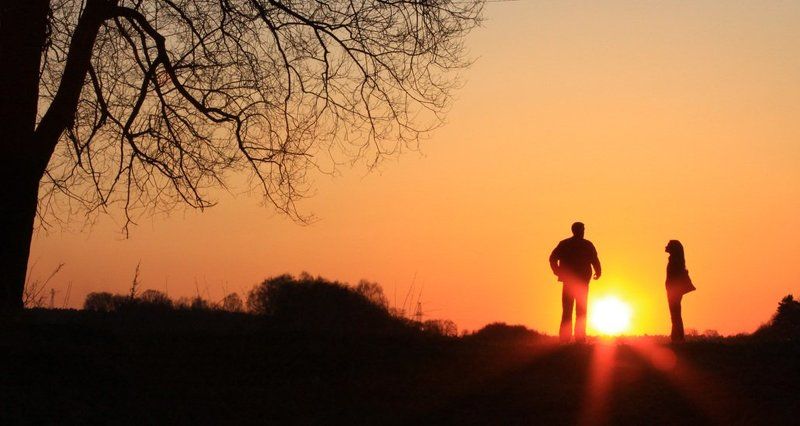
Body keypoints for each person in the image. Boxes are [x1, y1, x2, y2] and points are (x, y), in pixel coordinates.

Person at [549, 222, 602, 343]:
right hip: (573, 282)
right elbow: (552, 258)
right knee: (574, 310)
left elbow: (594, 259)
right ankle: (572, 338)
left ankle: (574, 338)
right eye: (582, 229)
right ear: (576, 230)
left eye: (583, 229)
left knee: (575, 310)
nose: (583, 231)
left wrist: (598, 271)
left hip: (579, 282)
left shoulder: (573, 244)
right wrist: (557, 271)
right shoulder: (576, 244)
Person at [665, 240, 695, 342]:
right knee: (675, 315)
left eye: (668, 245)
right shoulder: (675, 260)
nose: (666, 246)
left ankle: (678, 338)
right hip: (673, 291)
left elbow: (673, 278)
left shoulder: (674, 261)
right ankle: (677, 338)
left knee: (675, 315)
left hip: (674, 292)